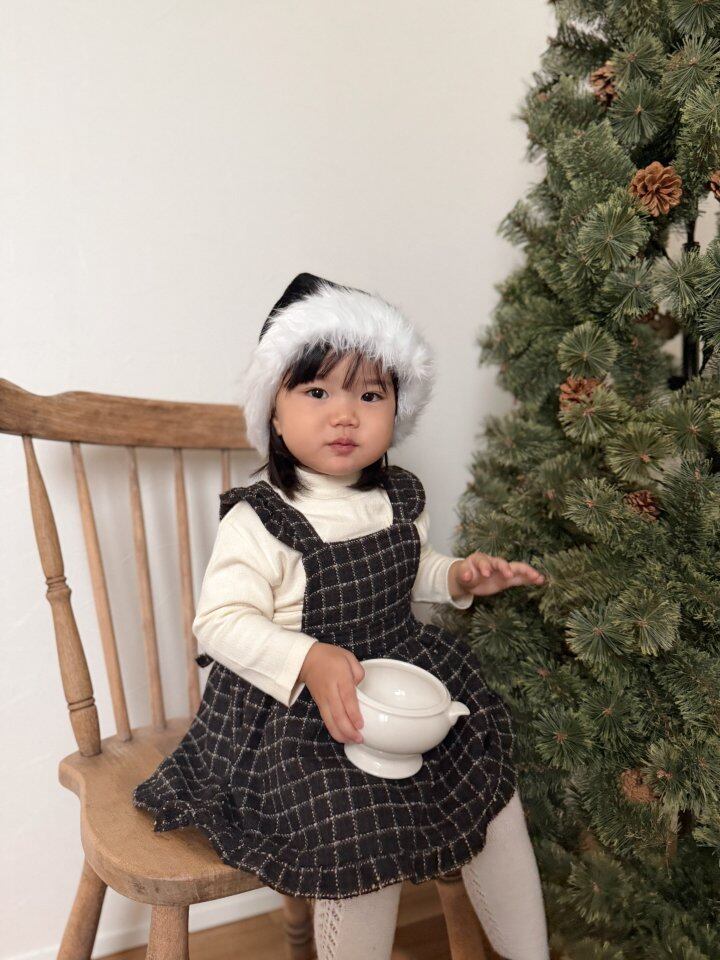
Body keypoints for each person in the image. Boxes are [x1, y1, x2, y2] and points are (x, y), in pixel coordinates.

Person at [133, 273, 550, 960]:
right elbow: (220, 621)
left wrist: (457, 577)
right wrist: (308, 657)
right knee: (355, 832)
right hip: (293, 716)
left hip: (394, 682)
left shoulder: (397, 497)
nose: (345, 415)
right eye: (317, 392)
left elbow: (410, 571)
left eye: (370, 395)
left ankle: (526, 952)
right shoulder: (260, 518)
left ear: (397, 409)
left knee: (488, 782)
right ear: (274, 413)